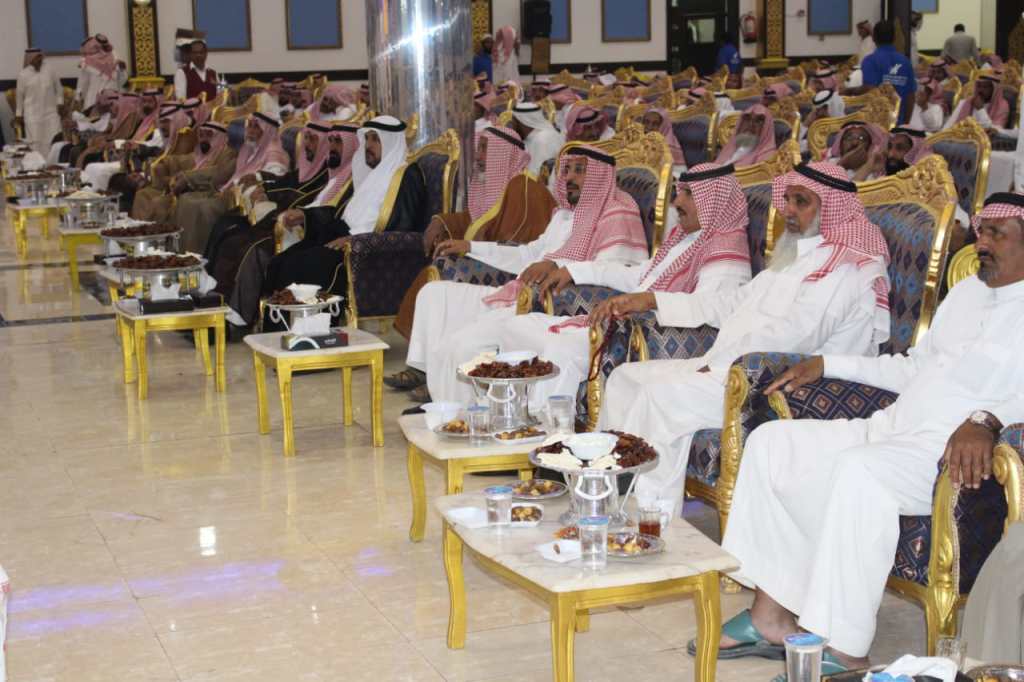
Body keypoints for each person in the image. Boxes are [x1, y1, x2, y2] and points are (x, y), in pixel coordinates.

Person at [716, 191, 1024, 675]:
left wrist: (988, 419)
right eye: (981, 231)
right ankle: (770, 615)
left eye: (996, 235)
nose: (980, 243)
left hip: (946, 458)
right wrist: (826, 363)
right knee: (773, 444)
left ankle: (844, 648)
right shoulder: (966, 293)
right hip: (891, 428)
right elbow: (913, 368)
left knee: (860, 473)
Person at [597, 162, 891, 518]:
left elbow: (797, 335)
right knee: (625, 378)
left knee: (658, 397)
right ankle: (606, 492)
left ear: (830, 208)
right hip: (730, 366)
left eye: (801, 202)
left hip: (783, 383)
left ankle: (648, 519)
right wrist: (654, 300)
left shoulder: (846, 266)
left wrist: (721, 363)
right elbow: (732, 303)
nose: (789, 210)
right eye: (787, 200)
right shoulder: (796, 256)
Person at [462, 163, 753, 409]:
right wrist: (575, 270)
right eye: (679, 192)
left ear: (714, 200)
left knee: (559, 346)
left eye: (688, 194)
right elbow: (639, 276)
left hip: (653, 333)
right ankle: (508, 414)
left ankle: (544, 431)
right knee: (519, 326)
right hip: (629, 320)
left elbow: (711, 309)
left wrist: (650, 300)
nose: (677, 202)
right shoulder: (686, 238)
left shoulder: (726, 250)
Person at [406, 144, 649, 406]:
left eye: (580, 170)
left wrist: (558, 266)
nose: (569, 177)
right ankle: (432, 386)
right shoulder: (564, 216)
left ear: (600, 176)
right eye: (567, 169)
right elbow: (528, 254)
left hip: (552, 304)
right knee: (434, 293)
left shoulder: (617, 214)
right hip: (518, 293)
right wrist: (471, 247)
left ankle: (460, 412)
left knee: (461, 346)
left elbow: (614, 274)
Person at [388, 125, 559, 391]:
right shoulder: (502, 185)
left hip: (509, 275)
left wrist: (471, 248)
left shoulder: (525, 190)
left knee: (440, 271)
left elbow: (518, 244)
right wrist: (442, 221)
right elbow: (476, 220)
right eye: (478, 148)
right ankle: (425, 368)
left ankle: (431, 374)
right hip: (494, 260)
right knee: (432, 288)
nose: (478, 156)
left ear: (502, 153)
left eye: (484, 149)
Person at [259, 115, 429, 324]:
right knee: (280, 262)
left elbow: (403, 226)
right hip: (342, 238)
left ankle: (308, 330)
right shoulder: (373, 174)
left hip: (366, 251)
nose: (368, 146)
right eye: (367, 139)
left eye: (375, 139)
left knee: (301, 265)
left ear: (391, 142)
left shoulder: (407, 176)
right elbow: (343, 214)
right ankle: (280, 330)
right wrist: (306, 215)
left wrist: (355, 240)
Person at [219, 124, 360, 328]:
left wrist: (304, 214)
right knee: (231, 236)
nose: (332, 147)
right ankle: (225, 304)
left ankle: (245, 316)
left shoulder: (350, 178)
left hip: (310, 230)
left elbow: (325, 207)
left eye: (338, 142)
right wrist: (266, 185)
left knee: (258, 251)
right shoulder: (334, 172)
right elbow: (299, 186)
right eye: (330, 141)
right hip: (307, 226)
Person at [175, 112, 288, 253]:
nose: (250, 131)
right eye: (249, 126)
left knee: (204, 207)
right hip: (227, 193)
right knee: (187, 200)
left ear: (267, 131)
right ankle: (184, 253)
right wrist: (189, 177)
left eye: (256, 127)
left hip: (243, 201)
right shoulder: (249, 148)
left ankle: (201, 254)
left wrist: (244, 186)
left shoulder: (274, 155)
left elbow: (273, 181)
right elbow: (226, 172)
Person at [131, 121, 233, 223]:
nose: (203, 139)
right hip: (179, 188)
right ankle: (140, 229)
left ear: (220, 137)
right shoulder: (199, 155)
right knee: (143, 195)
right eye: (201, 135)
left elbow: (220, 173)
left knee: (163, 204)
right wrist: (162, 163)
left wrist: (188, 178)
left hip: (202, 191)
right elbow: (179, 160)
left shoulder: (226, 155)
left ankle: (157, 230)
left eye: (208, 135)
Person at [857, 20, 917, 124]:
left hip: (876, 125)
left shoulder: (870, 61)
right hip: (900, 123)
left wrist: (850, 91)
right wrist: (905, 124)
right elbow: (910, 96)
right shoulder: (905, 61)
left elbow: (869, 90)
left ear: (874, 38)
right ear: (894, 38)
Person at [14, 49, 63, 154]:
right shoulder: (23, 75)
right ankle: (37, 163)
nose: (39, 59)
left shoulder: (50, 70)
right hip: (32, 114)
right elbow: (19, 97)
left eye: (40, 57)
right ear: (30, 59)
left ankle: (53, 162)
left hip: (51, 112)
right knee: (35, 144)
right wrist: (18, 114)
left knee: (54, 139)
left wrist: (60, 103)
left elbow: (59, 88)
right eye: (37, 57)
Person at [509, 102, 565, 176]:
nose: (512, 126)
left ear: (522, 121)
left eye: (514, 121)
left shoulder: (543, 139)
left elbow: (539, 175)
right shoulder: (531, 137)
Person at [75, 35, 127, 111]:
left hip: (110, 102)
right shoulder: (87, 63)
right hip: (94, 102)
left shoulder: (115, 58)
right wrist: (78, 97)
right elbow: (83, 84)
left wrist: (122, 70)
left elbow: (122, 81)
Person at [639, 108, 685, 173]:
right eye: (646, 122)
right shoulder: (636, 140)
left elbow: (678, 173)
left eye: (655, 124)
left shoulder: (670, 148)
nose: (649, 127)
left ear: (664, 126)